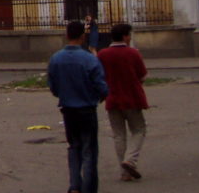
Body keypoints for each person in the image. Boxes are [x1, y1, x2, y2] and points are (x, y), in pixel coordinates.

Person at [48, 19, 108, 193]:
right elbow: (100, 85)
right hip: (87, 108)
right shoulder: (89, 59)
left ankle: (75, 186)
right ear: (83, 37)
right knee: (89, 150)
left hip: (68, 109)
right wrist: (101, 95)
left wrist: (64, 94)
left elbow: (53, 86)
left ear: (67, 35)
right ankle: (88, 188)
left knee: (74, 147)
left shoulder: (56, 59)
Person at [97, 23, 148, 182]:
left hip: (112, 99)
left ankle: (124, 173)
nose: (130, 38)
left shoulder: (102, 54)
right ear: (125, 36)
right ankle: (130, 160)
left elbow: (98, 76)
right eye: (129, 35)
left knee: (119, 135)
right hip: (132, 98)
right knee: (139, 130)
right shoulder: (133, 53)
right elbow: (142, 76)